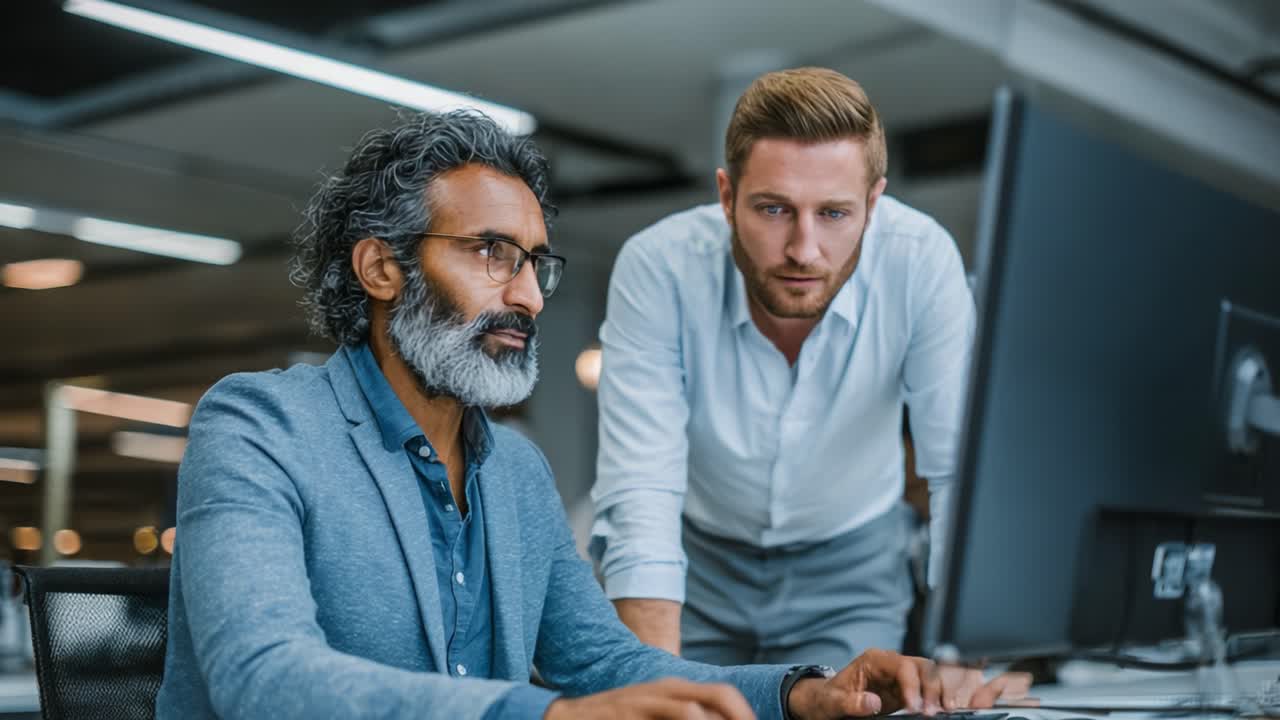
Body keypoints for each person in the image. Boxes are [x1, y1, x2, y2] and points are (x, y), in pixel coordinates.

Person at [154, 109, 1018, 720]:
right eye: (492, 253)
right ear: (381, 268)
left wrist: (804, 693)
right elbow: (264, 679)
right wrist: (548, 716)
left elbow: (607, 664)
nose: (529, 296)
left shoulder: (513, 469)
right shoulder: (260, 428)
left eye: (535, 262)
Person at [592, 67, 976, 666]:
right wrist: (654, 687)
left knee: (845, 706)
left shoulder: (922, 261)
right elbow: (641, 483)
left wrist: (963, 656)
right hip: (696, 566)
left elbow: (955, 470)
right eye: (774, 210)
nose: (803, 250)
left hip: (852, 570)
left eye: (834, 214)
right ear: (727, 197)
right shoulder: (659, 266)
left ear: (873, 204)